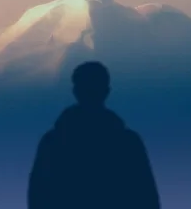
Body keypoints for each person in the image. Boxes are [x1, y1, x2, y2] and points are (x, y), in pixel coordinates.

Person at [28, 61, 161, 209]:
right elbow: (147, 196)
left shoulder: (53, 142)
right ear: (106, 91)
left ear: (76, 91)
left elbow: (37, 195)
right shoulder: (128, 142)